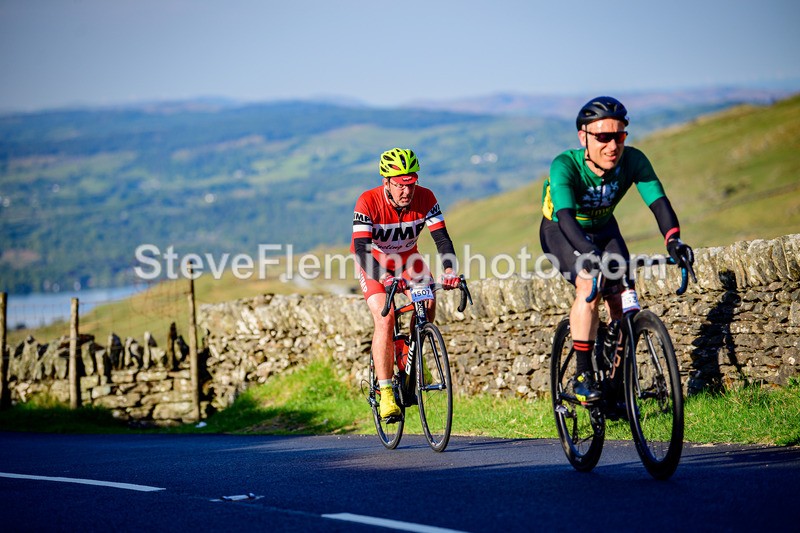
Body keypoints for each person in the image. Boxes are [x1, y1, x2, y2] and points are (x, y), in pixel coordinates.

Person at [539, 96, 694, 402]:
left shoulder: (633, 160)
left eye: (619, 135)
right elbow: (566, 217)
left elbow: (658, 202)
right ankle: (582, 375)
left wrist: (673, 240)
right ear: (583, 136)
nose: (612, 145)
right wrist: (587, 253)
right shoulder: (565, 165)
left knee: (622, 297)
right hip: (562, 230)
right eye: (602, 137)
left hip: (606, 230)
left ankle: (614, 382)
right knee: (588, 284)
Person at [351, 148, 461, 420]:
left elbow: (442, 239)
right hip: (372, 261)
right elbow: (362, 248)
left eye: (411, 183)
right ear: (386, 181)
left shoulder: (426, 198)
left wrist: (449, 270)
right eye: (400, 185)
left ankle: (414, 357)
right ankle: (386, 392)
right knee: (384, 318)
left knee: (428, 303)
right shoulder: (367, 201)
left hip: (408, 257)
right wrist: (384, 277)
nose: (407, 191)